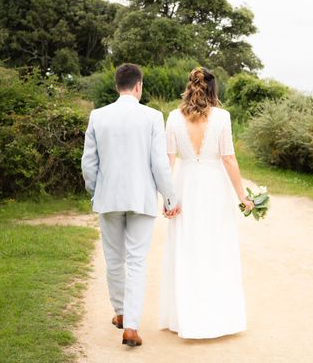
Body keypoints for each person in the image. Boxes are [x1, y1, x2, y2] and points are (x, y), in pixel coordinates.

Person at [81, 63, 177, 347]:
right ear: (138, 86)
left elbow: (89, 163)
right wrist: (169, 197)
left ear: (116, 86)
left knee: (114, 260)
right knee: (136, 261)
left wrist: (96, 191)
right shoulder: (152, 117)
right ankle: (131, 327)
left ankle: (121, 313)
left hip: (108, 199)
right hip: (141, 198)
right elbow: (159, 165)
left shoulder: (98, 116)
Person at [159, 66, 253, 339]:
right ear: (213, 89)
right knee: (216, 245)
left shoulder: (173, 118)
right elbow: (228, 158)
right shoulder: (223, 117)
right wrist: (242, 195)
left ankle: (184, 317)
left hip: (184, 185)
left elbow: (169, 160)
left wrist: (167, 197)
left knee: (186, 246)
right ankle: (216, 316)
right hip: (214, 187)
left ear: (189, 86)